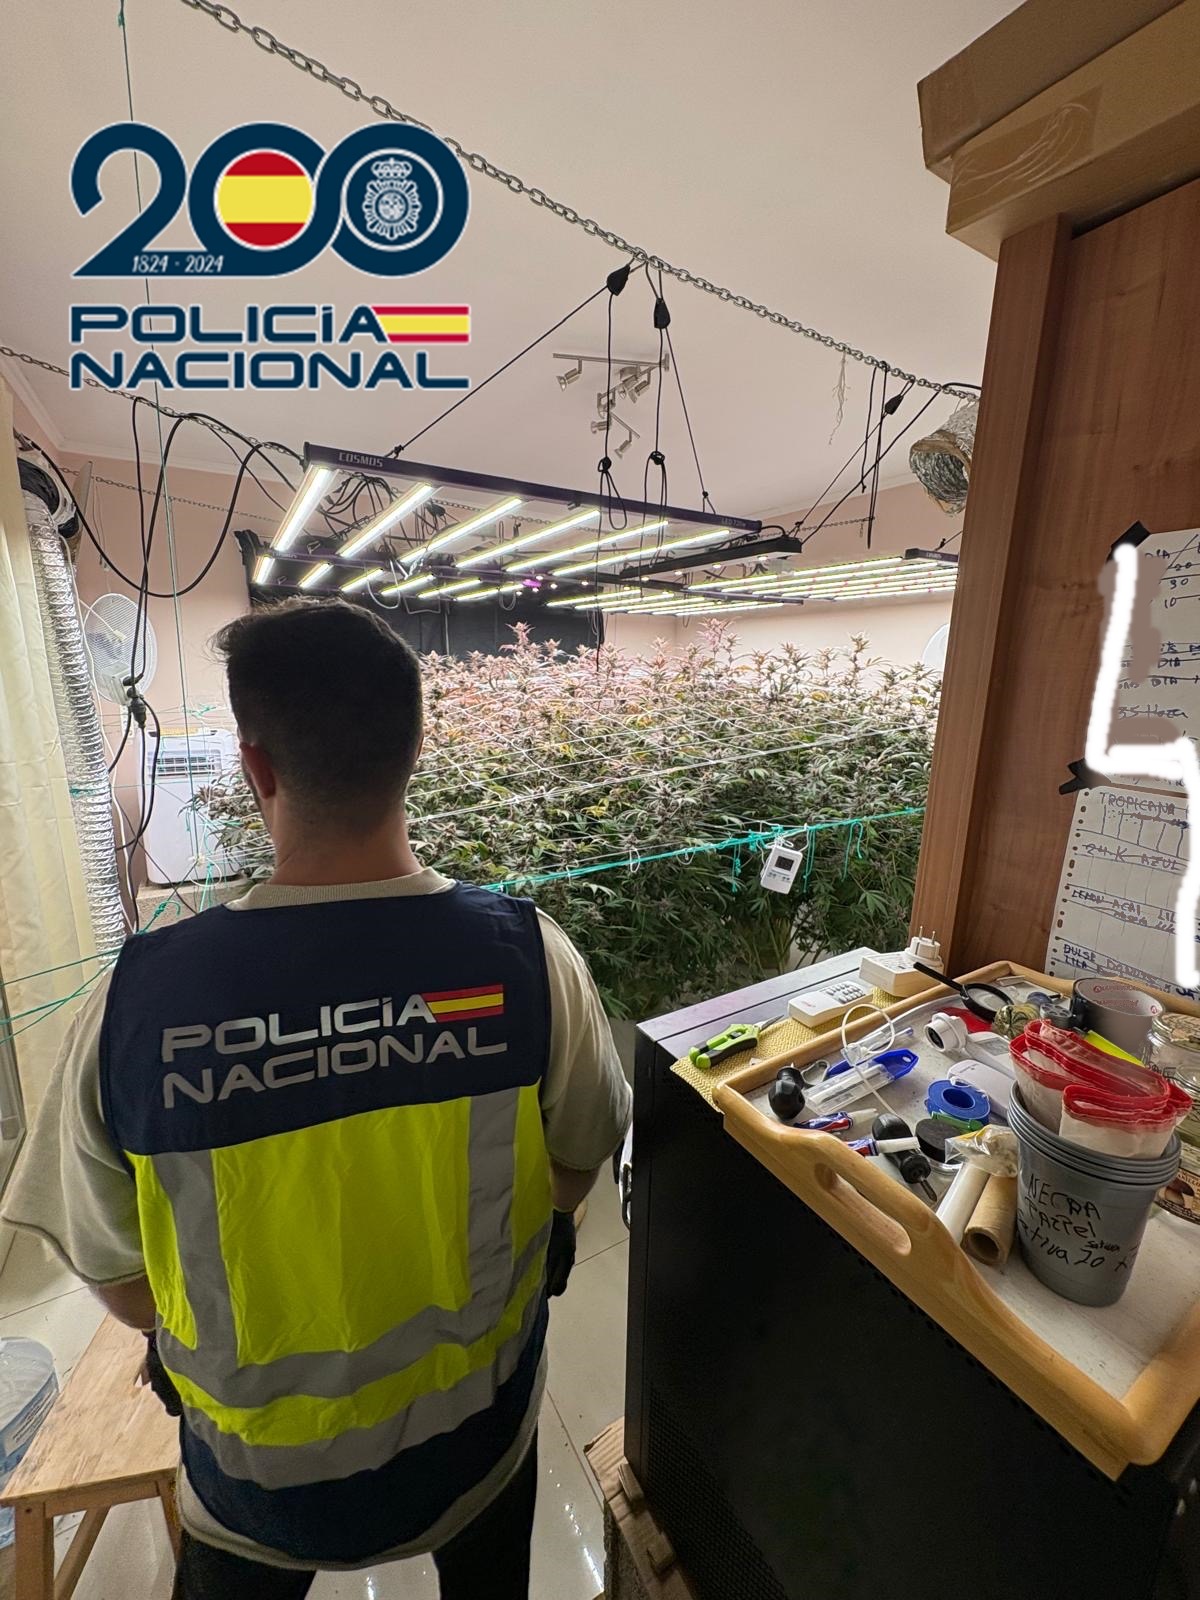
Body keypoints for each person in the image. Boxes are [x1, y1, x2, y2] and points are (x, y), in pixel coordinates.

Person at [3, 598, 632, 1598]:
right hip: (478, 1446)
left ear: (255, 766)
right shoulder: (525, 958)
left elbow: (117, 1277)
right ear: (415, 751)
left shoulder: (138, 1004)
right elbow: (577, 1159)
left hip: (255, 1489)